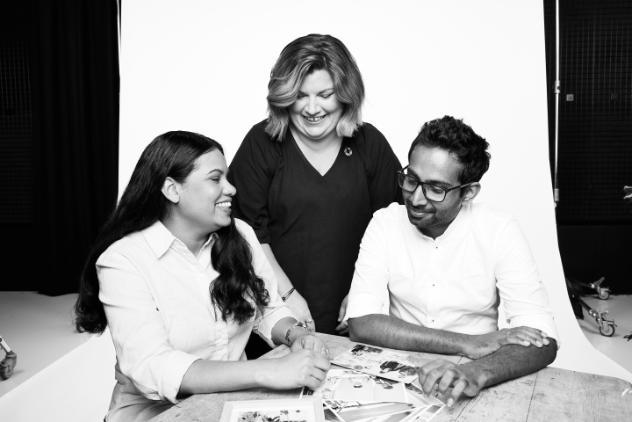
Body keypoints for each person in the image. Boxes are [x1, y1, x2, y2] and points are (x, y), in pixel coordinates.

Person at [74, 131, 330, 422]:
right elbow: (153, 366)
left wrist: (295, 335)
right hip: (156, 414)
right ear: (172, 190)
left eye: (228, 178)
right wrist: (270, 371)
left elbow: (268, 309)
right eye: (215, 178)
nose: (231, 189)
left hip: (233, 406)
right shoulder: (122, 261)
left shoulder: (242, 235)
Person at [345, 116, 558, 407]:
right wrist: (467, 343)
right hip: (401, 376)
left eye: (436, 188)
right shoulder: (384, 223)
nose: (416, 198)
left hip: (481, 378)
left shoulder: (499, 230)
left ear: (468, 192)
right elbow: (362, 323)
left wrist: (474, 372)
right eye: (411, 180)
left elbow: (543, 339)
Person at [229, 34, 401, 335]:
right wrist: (286, 297)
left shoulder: (369, 143)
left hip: (355, 315)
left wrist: (364, 296)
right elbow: (247, 232)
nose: (311, 108)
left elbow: (394, 227)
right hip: (277, 312)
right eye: (300, 95)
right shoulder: (262, 143)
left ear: (346, 93)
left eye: (324, 94)